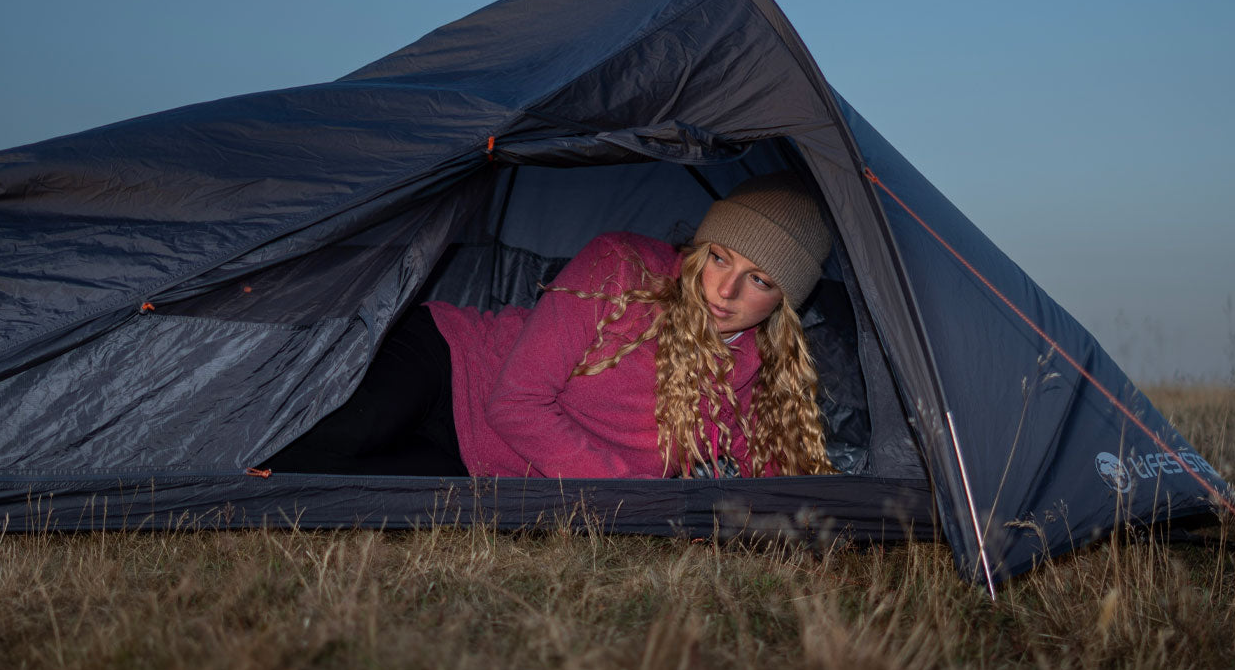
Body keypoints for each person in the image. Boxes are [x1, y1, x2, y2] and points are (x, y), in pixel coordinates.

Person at [260, 172, 835, 479]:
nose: (724, 291)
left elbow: (781, 483)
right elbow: (516, 402)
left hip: (483, 464)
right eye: (719, 258)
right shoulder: (622, 265)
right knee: (317, 449)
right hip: (451, 365)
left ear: (785, 302)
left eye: (759, 280)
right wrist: (627, 494)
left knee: (346, 494)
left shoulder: (755, 377)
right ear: (700, 248)